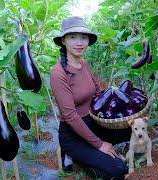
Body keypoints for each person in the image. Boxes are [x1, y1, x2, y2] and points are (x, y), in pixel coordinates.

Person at [50, 16, 131, 179]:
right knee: (119, 170)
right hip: (73, 134)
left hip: (93, 123)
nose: (79, 42)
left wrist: (118, 108)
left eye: (83, 37)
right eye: (73, 37)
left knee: (130, 130)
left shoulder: (84, 64)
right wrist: (100, 145)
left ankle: (90, 155)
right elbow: (71, 116)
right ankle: (71, 154)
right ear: (63, 41)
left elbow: (98, 91)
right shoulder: (58, 73)